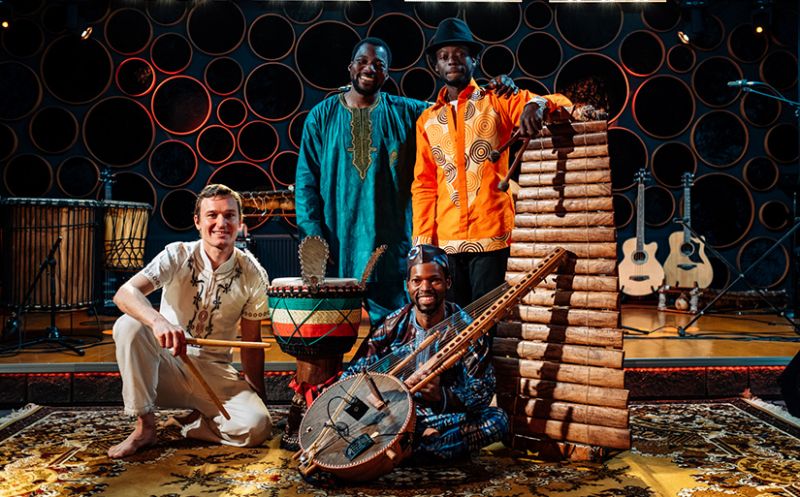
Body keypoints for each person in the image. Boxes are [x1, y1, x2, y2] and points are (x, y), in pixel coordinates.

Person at [295, 37, 518, 328]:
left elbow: (455, 106)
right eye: (362, 62)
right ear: (350, 67)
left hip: (392, 252)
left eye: (379, 65)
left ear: (387, 74)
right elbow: (306, 183)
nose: (370, 68)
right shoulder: (321, 117)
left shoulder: (407, 112)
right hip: (338, 248)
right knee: (332, 335)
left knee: (397, 333)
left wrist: (495, 88)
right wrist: (313, 238)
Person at [411, 18, 573, 308]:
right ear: (435, 66)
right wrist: (423, 243)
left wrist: (535, 105)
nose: (452, 61)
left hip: (492, 235)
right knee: (454, 323)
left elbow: (561, 102)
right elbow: (424, 184)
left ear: (474, 60)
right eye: (444, 56)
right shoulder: (427, 120)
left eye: (461, 54)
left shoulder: (497, 99)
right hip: (445, 241)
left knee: (490, 320)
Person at [107, 184, 272, 459]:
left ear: (240, 222)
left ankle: (191, 426)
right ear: (197, 221)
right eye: (212, 215)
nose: (221, 223)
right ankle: (145, 427)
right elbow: (125, 293)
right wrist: (158, 322)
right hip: (166, 366)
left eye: (229, 215)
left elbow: (252, 342)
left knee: (256, 428)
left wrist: (258, 398)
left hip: (215, 371)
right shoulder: (178, 254)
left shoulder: (253, 273)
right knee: (129, 325)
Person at [343, 244, 508, 461]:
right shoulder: (392, 326)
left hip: (445, 417)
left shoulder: (467, 329)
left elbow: (482, 395)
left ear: (448, 282)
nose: (425, 288)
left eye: (434, 280)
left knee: (497, 421)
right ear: (407, 285)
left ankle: (409, 449)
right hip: (395, 417)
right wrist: (381, 393)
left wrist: (441, 396)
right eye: (417, 281)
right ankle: (429, 446)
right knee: (349, 419)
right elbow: (351, 377)